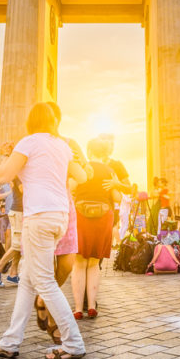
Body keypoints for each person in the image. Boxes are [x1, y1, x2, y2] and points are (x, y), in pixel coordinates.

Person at [0, 102, 88, 359]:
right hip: (59, 216)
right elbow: (81, 175)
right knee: (28, 279)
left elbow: (3, 176)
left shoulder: (29, 142)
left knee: (44, 281)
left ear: (30, 122)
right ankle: (10, 342)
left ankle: (74, 343)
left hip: (39, 216)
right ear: (54, 121)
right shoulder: (62, 145)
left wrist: (7, 157)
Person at [70, 136, 128, 318]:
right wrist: (116, 185)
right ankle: (92, 305)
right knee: (94, 263)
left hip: (81, 216)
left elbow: (69, 187)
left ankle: (78, 309)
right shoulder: (109, 170)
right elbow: (118, 198)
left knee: (79, 264)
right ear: (105, 153)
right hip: (103, 217)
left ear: (89, 152)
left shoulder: (82, 169)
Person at [0, 177, 23, 286]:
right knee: (18, 245)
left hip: (22, 211)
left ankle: (13, 274)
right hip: (19, 212)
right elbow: (22, 189)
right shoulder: (19, 174)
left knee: (20, 245)